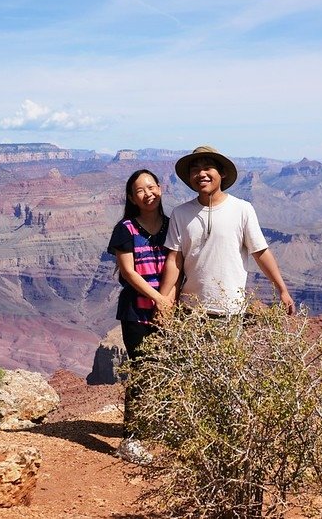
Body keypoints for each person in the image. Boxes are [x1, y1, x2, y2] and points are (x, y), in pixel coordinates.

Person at [160, 145, 295, 317]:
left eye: (208, 168)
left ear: (222, 173)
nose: (201, 174)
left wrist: (282, 289)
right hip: (190, 311)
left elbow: (260, 252)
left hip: (230, 311)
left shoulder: (242, 209)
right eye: (195, 170)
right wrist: (162, 300)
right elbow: (174, 261)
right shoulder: (180, 213)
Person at [106, 169, 171, 465]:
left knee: (167, 372)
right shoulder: (126, 229)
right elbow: (128, 272)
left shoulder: (172, 226)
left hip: (169, 312)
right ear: (132, 198)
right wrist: (158, 299)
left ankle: (162, 427)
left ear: (160, 188)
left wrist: (169, 301)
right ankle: (131, 440)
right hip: (137, 313)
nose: (147, 194)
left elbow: (179, 265)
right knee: (143, 372)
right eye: (140, 190)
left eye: (151, 187)